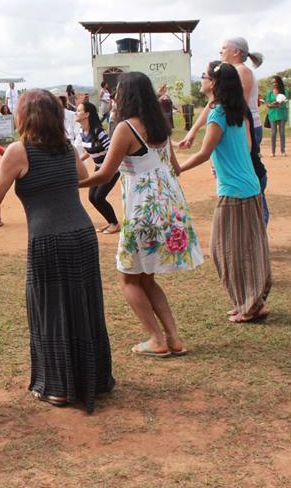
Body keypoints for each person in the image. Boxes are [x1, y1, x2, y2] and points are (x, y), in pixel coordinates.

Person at [0, 89, 114, 412]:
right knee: (84, 306)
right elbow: (82, 177)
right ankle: (95, 378)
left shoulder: (19, 151)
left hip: (49, 239)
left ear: (24, 116)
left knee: (51, 310)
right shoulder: (66, 148)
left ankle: (59, 387)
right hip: (82, 235)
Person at [81, 74, 202, 356]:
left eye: (117, 92)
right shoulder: (160, 125)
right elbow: (175, 168)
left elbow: (105, 173)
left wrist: (71, 182)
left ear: (126, 96)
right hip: (170, 208)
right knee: (145, 277)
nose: (114, 97)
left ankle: (157, 340)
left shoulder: (125, 128)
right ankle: (173, 338)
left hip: (143, 210)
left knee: (128, 278)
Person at [178, 62, 272, 323]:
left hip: (234, 192)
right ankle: (252, 301)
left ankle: (248, 305)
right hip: (249, 187)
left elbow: (205, 151)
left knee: (224, 250)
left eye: (204, 76)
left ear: (215, 83)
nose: (201, 80)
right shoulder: (238, 111)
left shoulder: (218, 113)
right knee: (249, 248)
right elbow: (247, 146)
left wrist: (178, 169)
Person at [180, 38, 268, 222]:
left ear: (236, 52)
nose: (220, 51)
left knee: (245, 172)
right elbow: (216, 103)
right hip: (239, 124)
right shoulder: (219, 106)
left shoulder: (240, 72)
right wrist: (194, 130)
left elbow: (229, 104)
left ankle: (259, 222)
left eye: (224, 48)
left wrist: (178, 168)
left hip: (245, 126)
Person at [74, 101, 120, 234]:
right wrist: (78, 161)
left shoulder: (98, 131)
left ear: (87, 114)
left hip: (111, 169)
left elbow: (112, 149)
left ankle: (115, 223)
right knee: (92, 197)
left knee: (99, 197)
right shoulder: (82, 132)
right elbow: (91, 150)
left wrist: (109, 169)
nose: (76, 113)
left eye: (79, 111)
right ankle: (111, 222)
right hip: (98, 168)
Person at [265, 76, 289, 157]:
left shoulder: (284, 92)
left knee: (282, 133)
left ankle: (283, 150)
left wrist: (274, 104)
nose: (274, 84)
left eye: (275, 82)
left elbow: (282, 104)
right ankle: (273, 151)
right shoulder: (270, 93)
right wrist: (274, 104)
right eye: (273, 82)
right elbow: (267, 104)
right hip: (272, 114)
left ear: (279, 83)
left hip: (282, 114)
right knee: (273, 133)